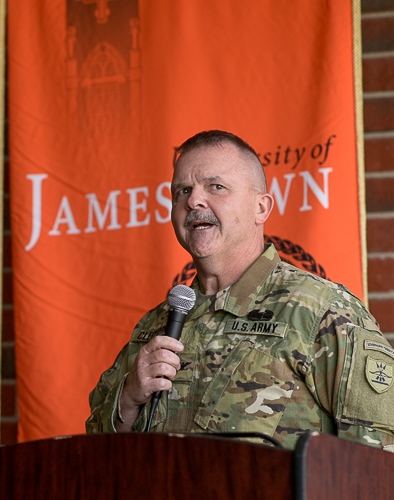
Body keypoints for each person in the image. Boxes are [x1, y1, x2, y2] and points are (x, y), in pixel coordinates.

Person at [86, 130, 394, 451]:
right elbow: (94, 456)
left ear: (260, 208)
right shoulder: (155, 325)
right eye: (182, 191)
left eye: (215, 187)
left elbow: (379, 463)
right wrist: (128, 397)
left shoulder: (322, 311)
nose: (193, 201)